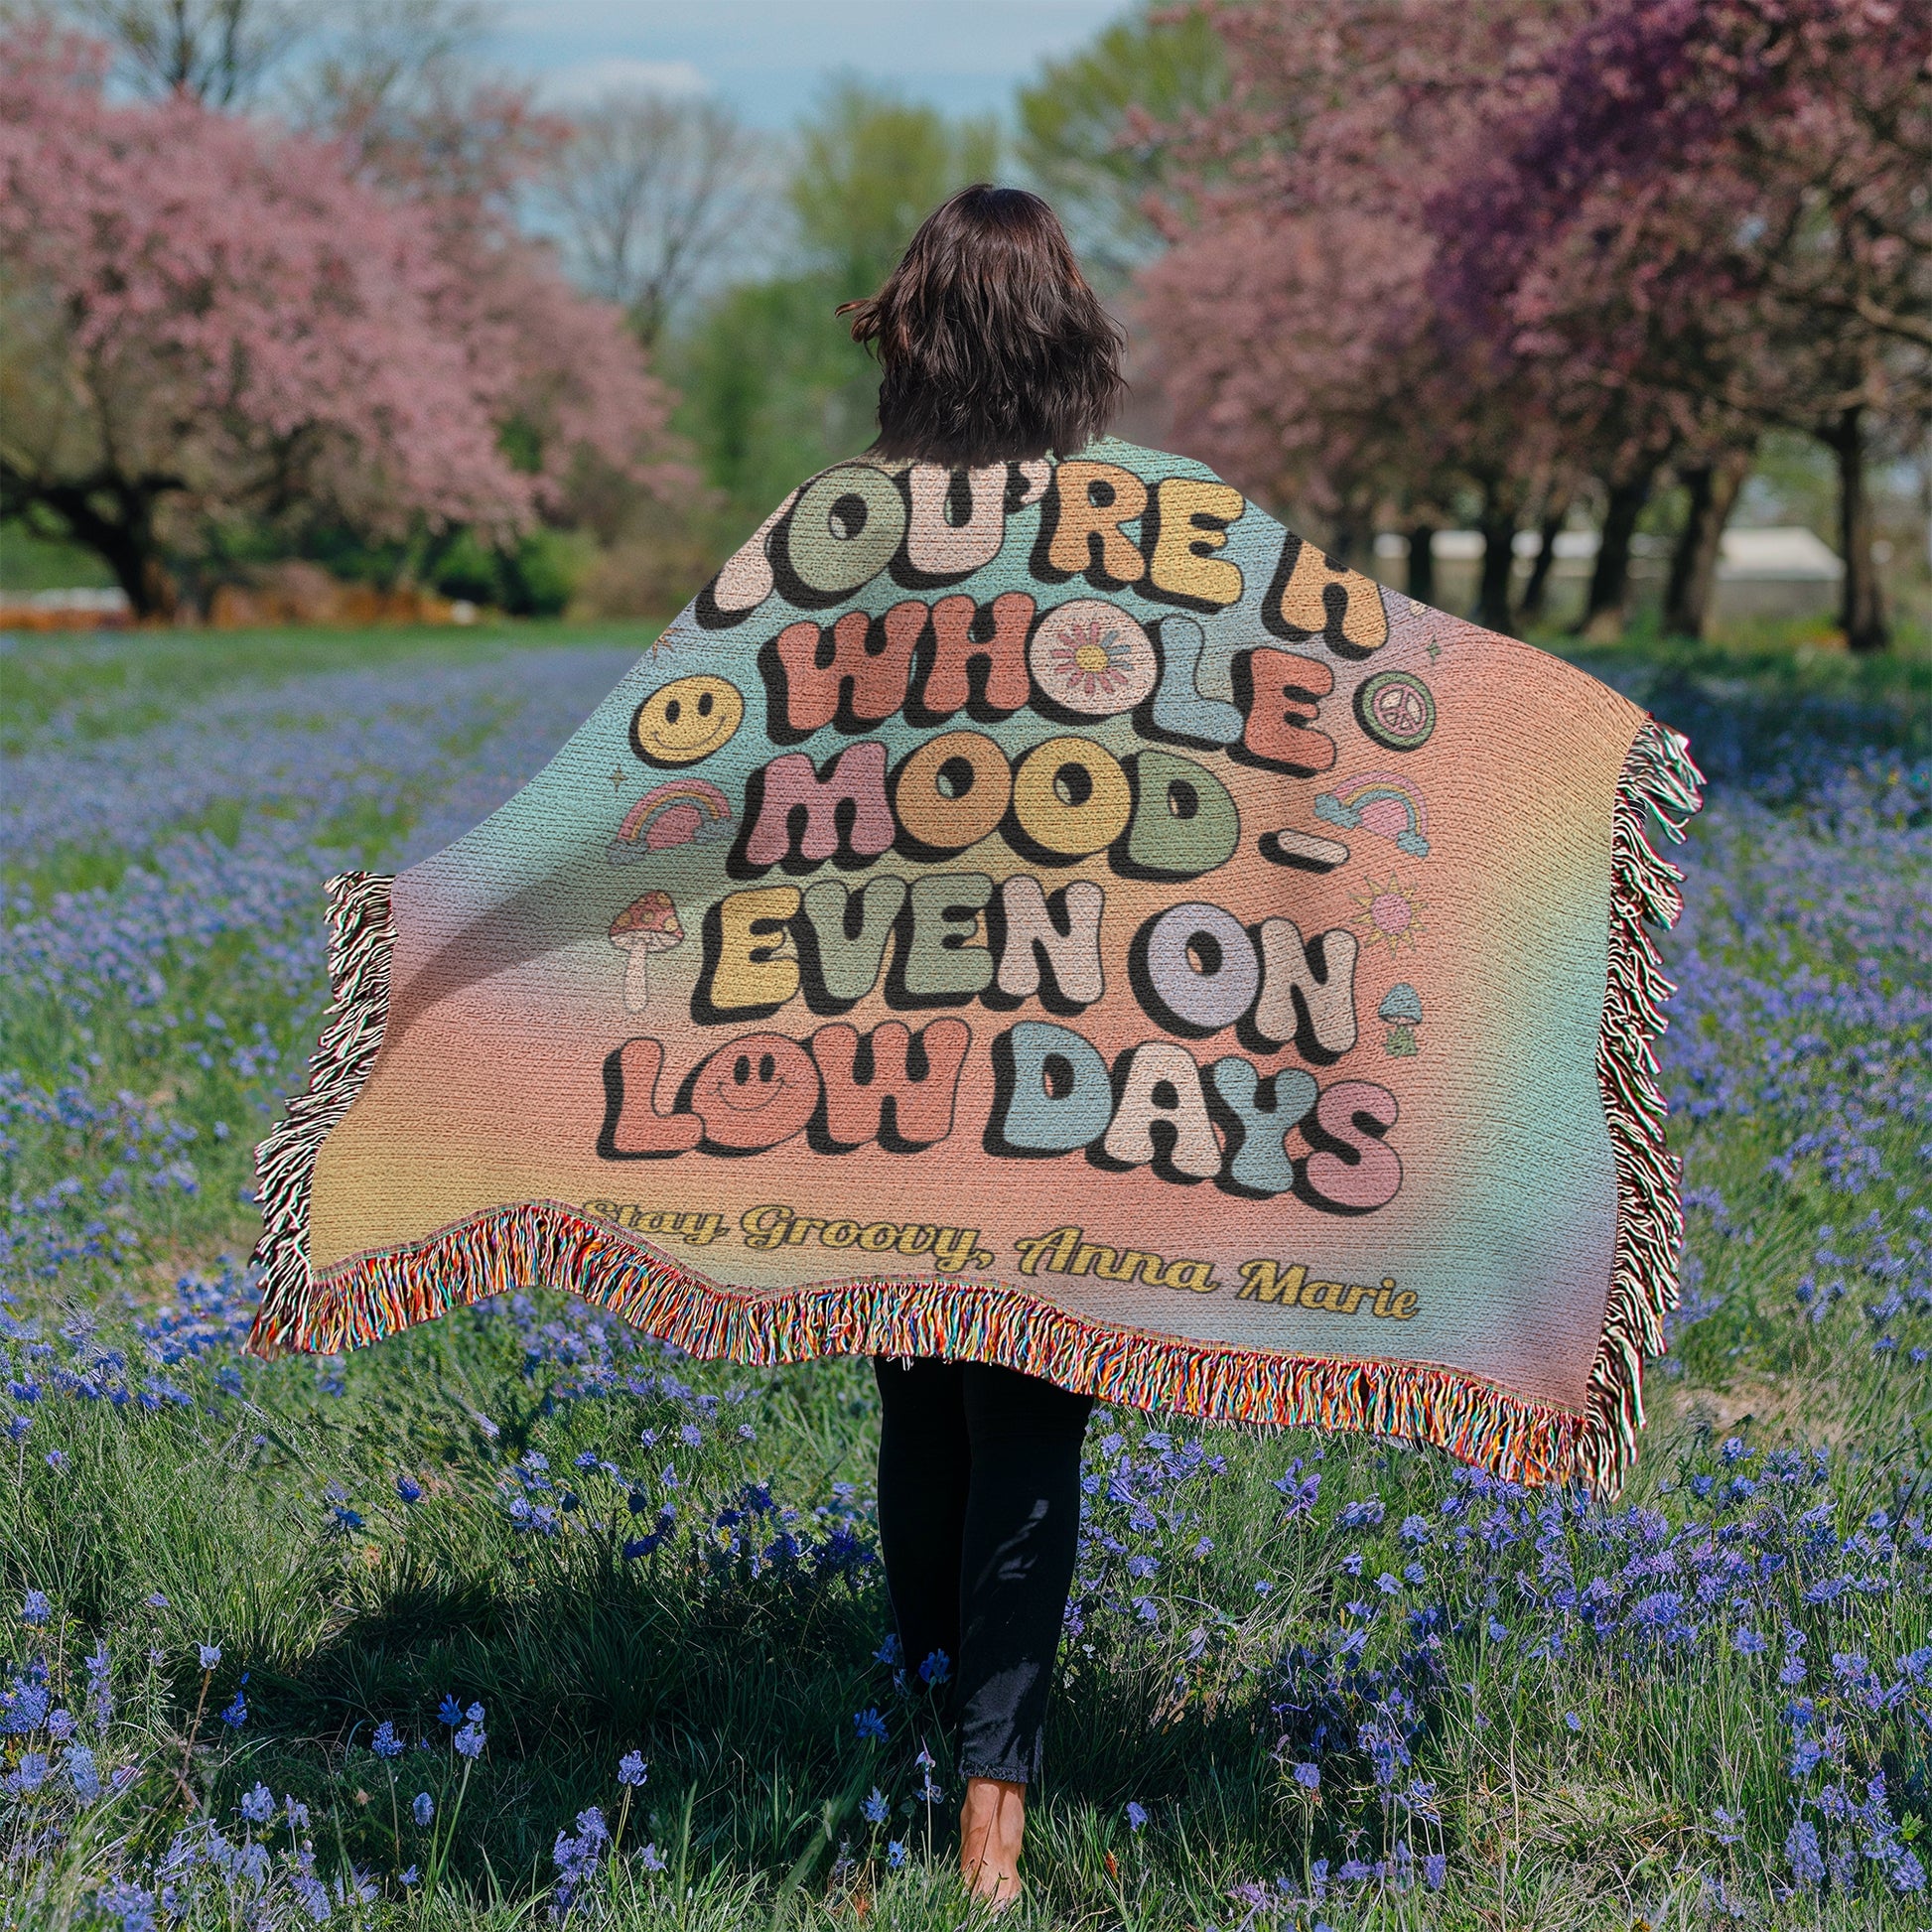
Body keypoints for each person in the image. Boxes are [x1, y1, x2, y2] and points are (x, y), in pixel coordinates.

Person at [838, 184, 1127, 1911]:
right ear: (1067, 335)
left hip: (874, 1029)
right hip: (1081, 1027)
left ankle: (928, 1721)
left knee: (919, 1390)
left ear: (916, 331)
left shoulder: (844, 537)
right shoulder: (1144, 532)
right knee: (1027, 1406)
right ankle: (990, 1806)